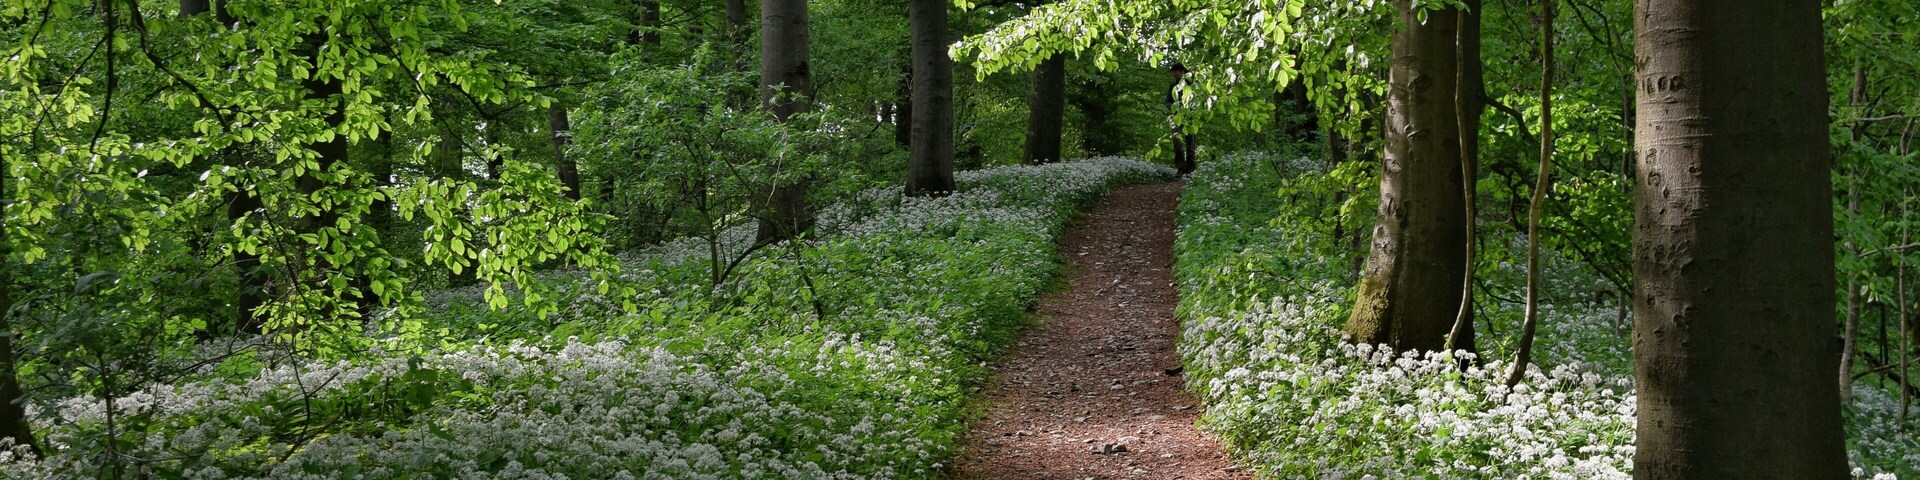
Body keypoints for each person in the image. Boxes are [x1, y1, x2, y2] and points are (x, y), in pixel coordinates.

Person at [1166, 62, 1198, 175]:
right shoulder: (1172, 86)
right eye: (1173, 72)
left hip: (1190, 116)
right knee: (1177, 142)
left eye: (1177, 71)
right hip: (1176, 117)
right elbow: (1167, 101)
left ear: (1182, 72)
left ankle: (1191, 168)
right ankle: (1180, 167)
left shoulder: (1190, 84)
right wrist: (1173, 107)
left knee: (1191, 143)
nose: (1174, 74)